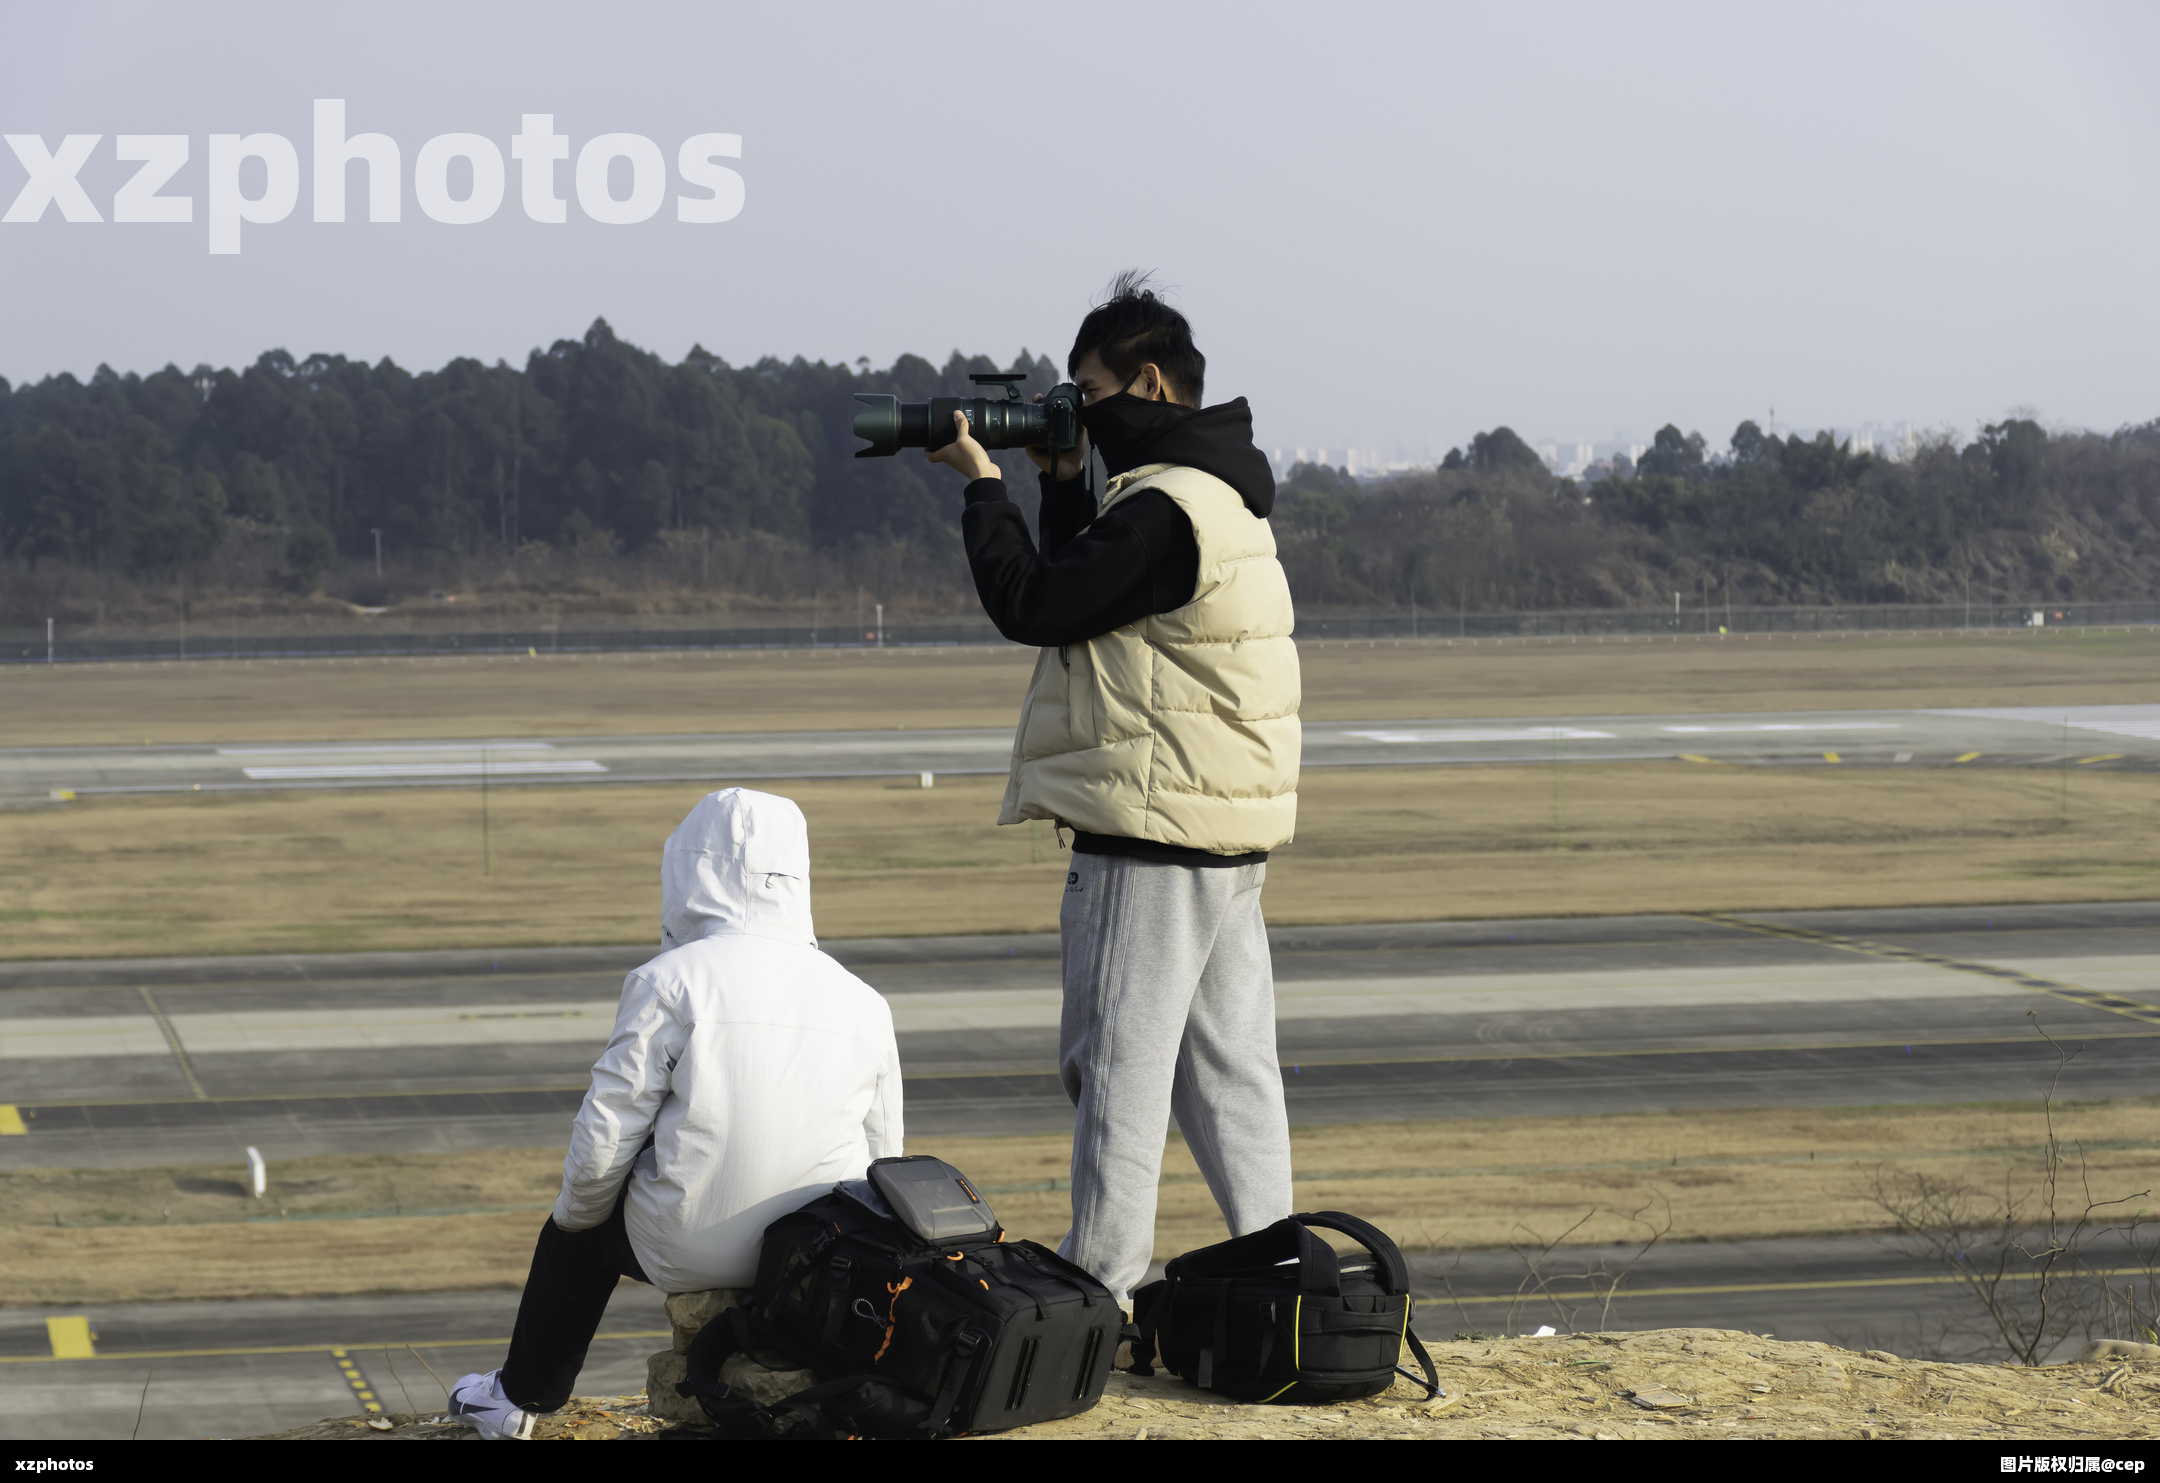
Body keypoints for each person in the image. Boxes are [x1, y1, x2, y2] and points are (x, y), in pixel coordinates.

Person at [927, 271, 1299, 1309]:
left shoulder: (1163, 509)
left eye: (1085, 393)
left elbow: (1038, 604)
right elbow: (1096, 601)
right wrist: (1055, 481)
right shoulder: (1214, 497)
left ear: (1146, 382)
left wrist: (979, 483)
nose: (1075, 409)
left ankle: (1099, 1292)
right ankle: (1280, 1274)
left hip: (1150, 840)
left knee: (1116, 1078)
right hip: (1221, 840)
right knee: (1230, 1076)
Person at [449, 787, 903, 1439]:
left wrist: (577, 1219)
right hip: (811, 1253)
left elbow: (607, 1131)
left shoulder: (670, 979)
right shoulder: (862, 997)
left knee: (574, 1231)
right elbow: (885, 1155)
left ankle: (520, 1397)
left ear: (691, 869)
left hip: (687, 1240)